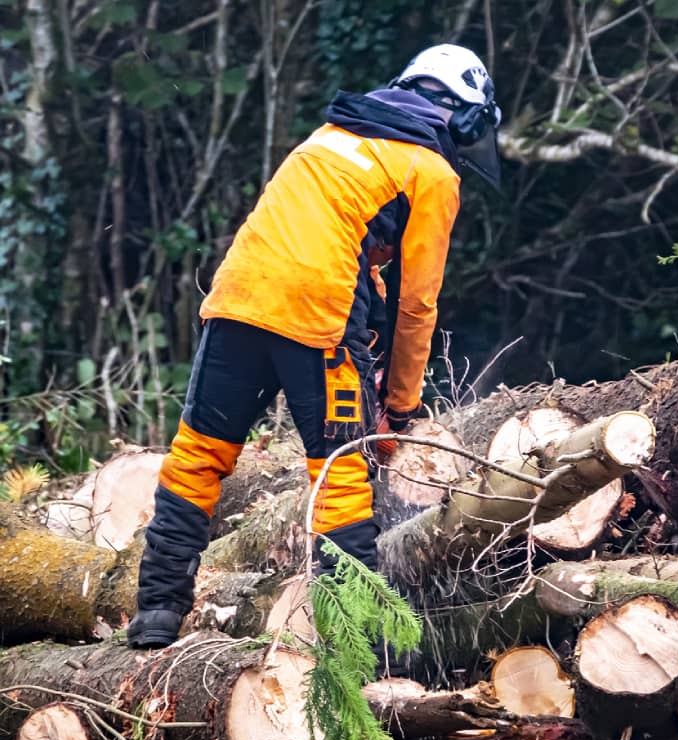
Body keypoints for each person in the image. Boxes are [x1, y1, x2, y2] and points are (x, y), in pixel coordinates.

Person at [127, 43, 502, 648]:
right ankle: (356, 649)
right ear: (463, 117)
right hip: (314, 319)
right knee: (339, 474)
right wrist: (401, 406)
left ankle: (156, 614)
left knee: (198, 455)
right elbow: (416, 303)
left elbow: (352, 258)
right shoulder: (430, 171)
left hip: (237, 299)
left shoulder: (330, 136)